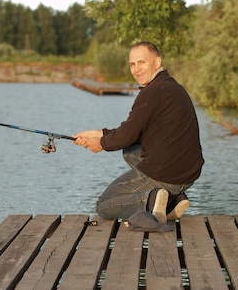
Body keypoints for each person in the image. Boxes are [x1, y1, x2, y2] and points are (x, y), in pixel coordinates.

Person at [73, 41, 204, 223]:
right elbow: (133, 131)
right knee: (129, 151)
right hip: (187, 173)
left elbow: (126, 135)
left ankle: (150, 200)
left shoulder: (152, 92)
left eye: (142, 62)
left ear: (157, 62)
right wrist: (98, 133)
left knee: (104, 205)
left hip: (167, 175)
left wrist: (100, 144)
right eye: (132, 64)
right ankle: (174, 199)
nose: (136, 69)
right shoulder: (172, 87)